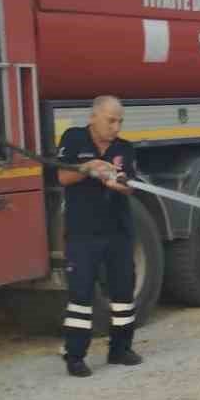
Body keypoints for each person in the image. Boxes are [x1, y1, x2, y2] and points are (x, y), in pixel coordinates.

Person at [56, 96, 143, 378]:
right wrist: (89, 167)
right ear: (94, 116)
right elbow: (62, 178)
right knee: (80, 294)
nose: (116, 127)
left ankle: (120, 349)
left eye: (120, 121)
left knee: (123, 292)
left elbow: (130, 187)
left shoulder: (124, 148)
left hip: (118, 231)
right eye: (111, 120)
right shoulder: (74, 138)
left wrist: (118, 183)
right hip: (83, 232)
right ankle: (76, 356)